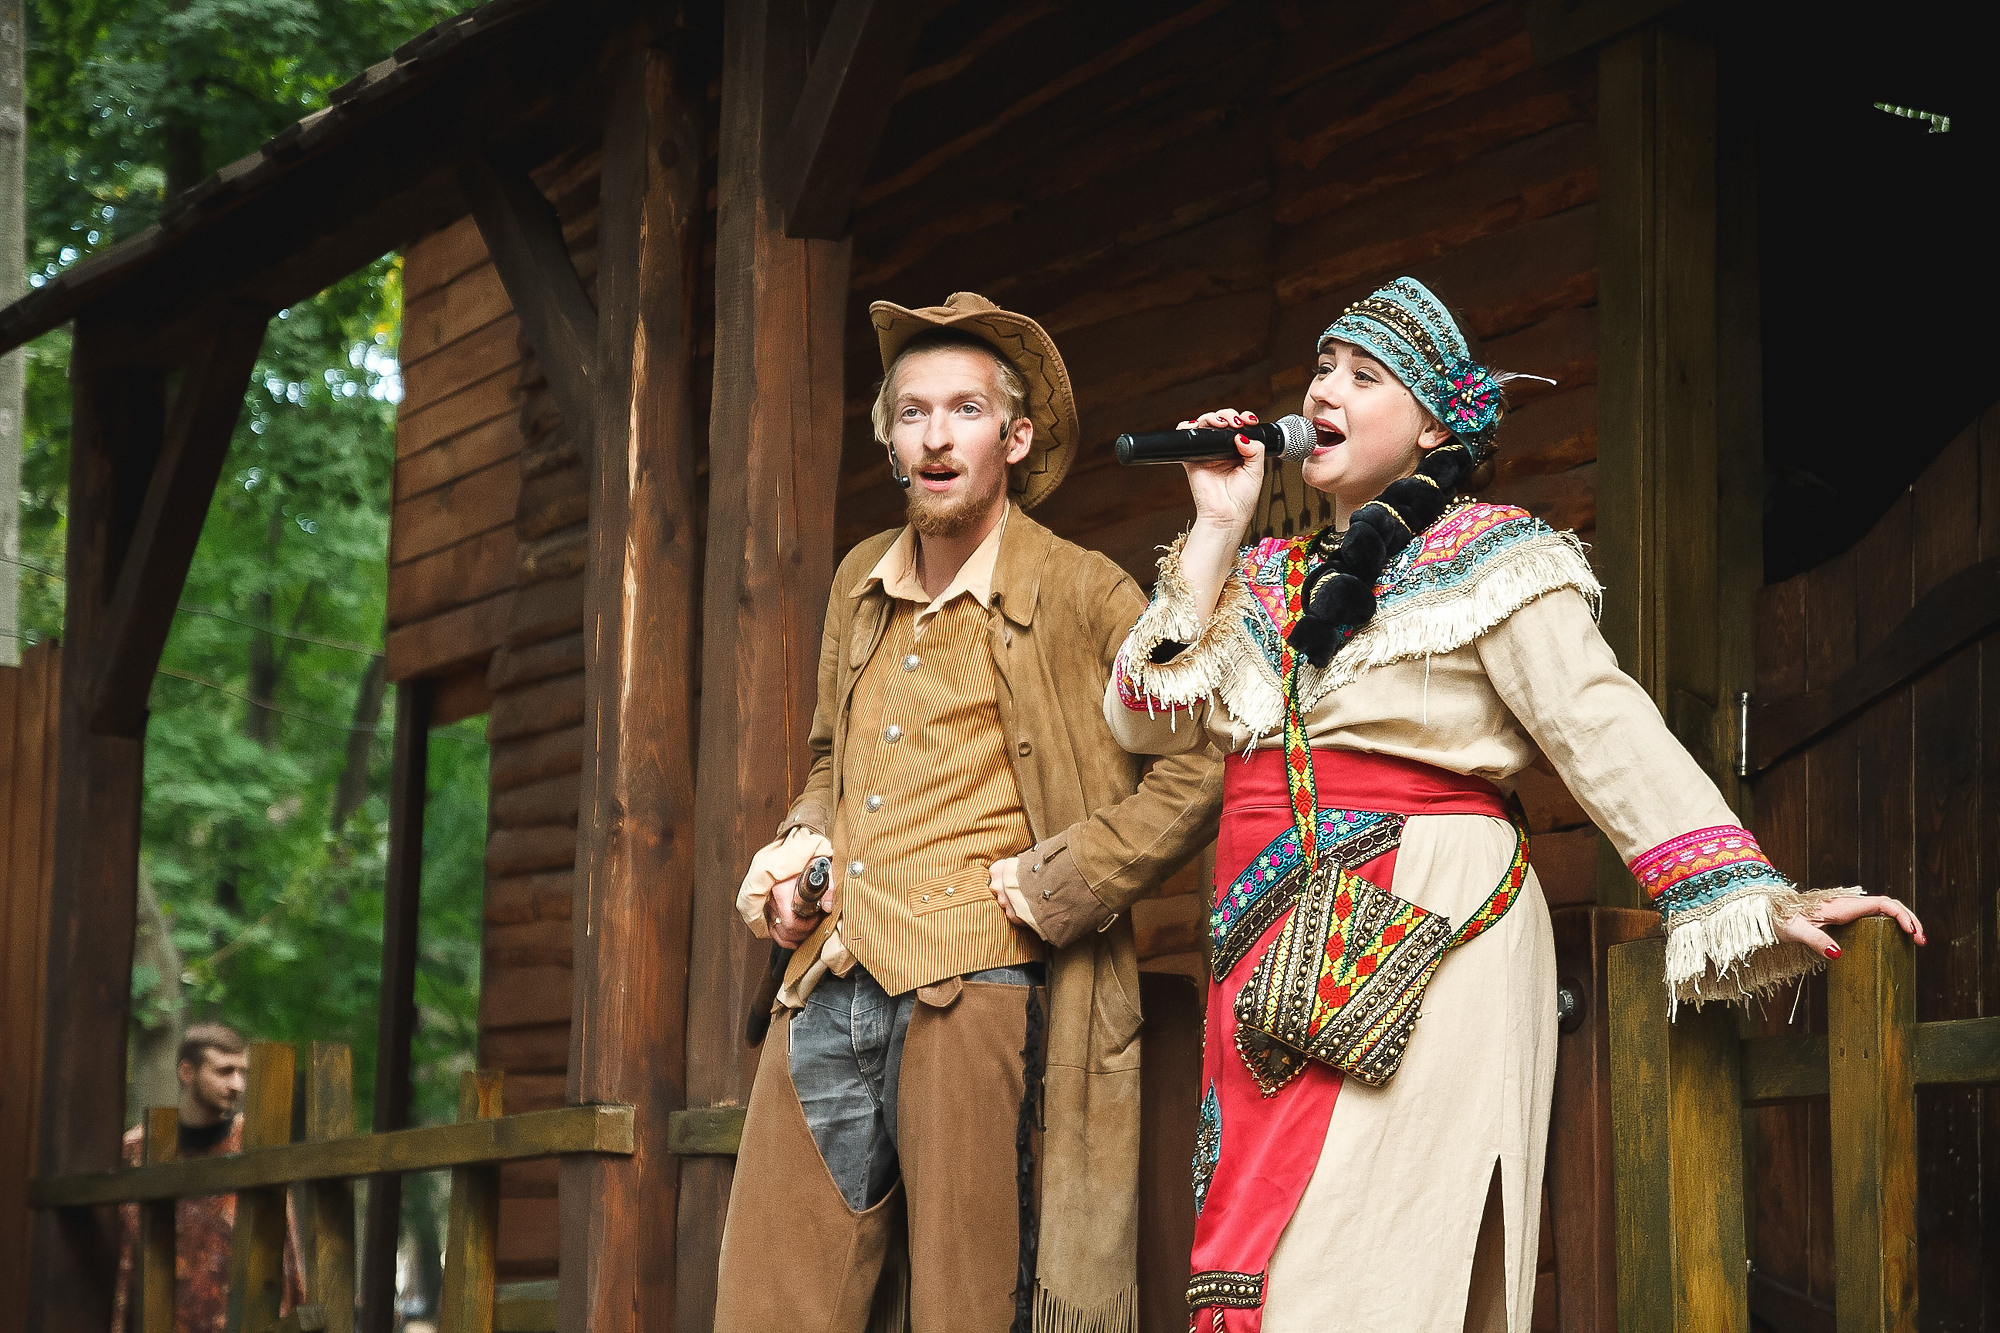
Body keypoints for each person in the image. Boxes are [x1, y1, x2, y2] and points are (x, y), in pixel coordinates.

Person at [1105, 276, 1925, 1333]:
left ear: (1434, 422)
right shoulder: (1260, 579)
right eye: (1319, 368)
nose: (1325, 390)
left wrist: (1746, 896)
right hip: (1274, 947)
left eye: (1364, 375)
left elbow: (1597, 723)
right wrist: (1216, 525)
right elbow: (1138, 716)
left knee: (1377, 1261)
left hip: (1430, 918)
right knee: (1263, 1261)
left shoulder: (1492, 554)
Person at [715, 291, 1223, 1333]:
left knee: (965, 1309)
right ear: (890, 438)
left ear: (1015, 436)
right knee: (769, 1306)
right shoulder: (860, 579)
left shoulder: (1083, 591)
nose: (936, 436)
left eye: (964, 411)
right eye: (912, 414)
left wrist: (1062, 882)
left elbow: (1200, 761)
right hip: (828, 988)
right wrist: (801, 843)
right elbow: (828, 760)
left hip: (981, 996)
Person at [112, 1023, 305, 1333]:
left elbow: (286, 1250)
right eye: (224, 1071)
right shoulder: (138, 1150)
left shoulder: (254, 1143)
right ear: (188, 1072)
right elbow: (121, 1256)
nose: (237, 1084)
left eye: (243, 1072)